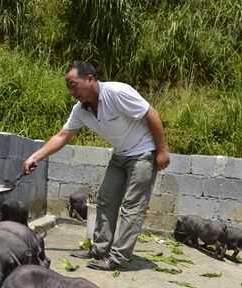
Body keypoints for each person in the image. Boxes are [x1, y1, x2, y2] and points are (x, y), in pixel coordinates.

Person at [22, 60, 170, 271]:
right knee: (105, 200)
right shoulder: (81, 110)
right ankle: (100, 250)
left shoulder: (117, 92)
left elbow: (151, 114)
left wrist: (162, 150)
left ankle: (118, 258)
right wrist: (35, 156)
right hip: (120, 154)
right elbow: (63, 136)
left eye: (74, 85)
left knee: (132, 207)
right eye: (68, 87)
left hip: (143, 153)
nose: (71, 92)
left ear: (90, 79)